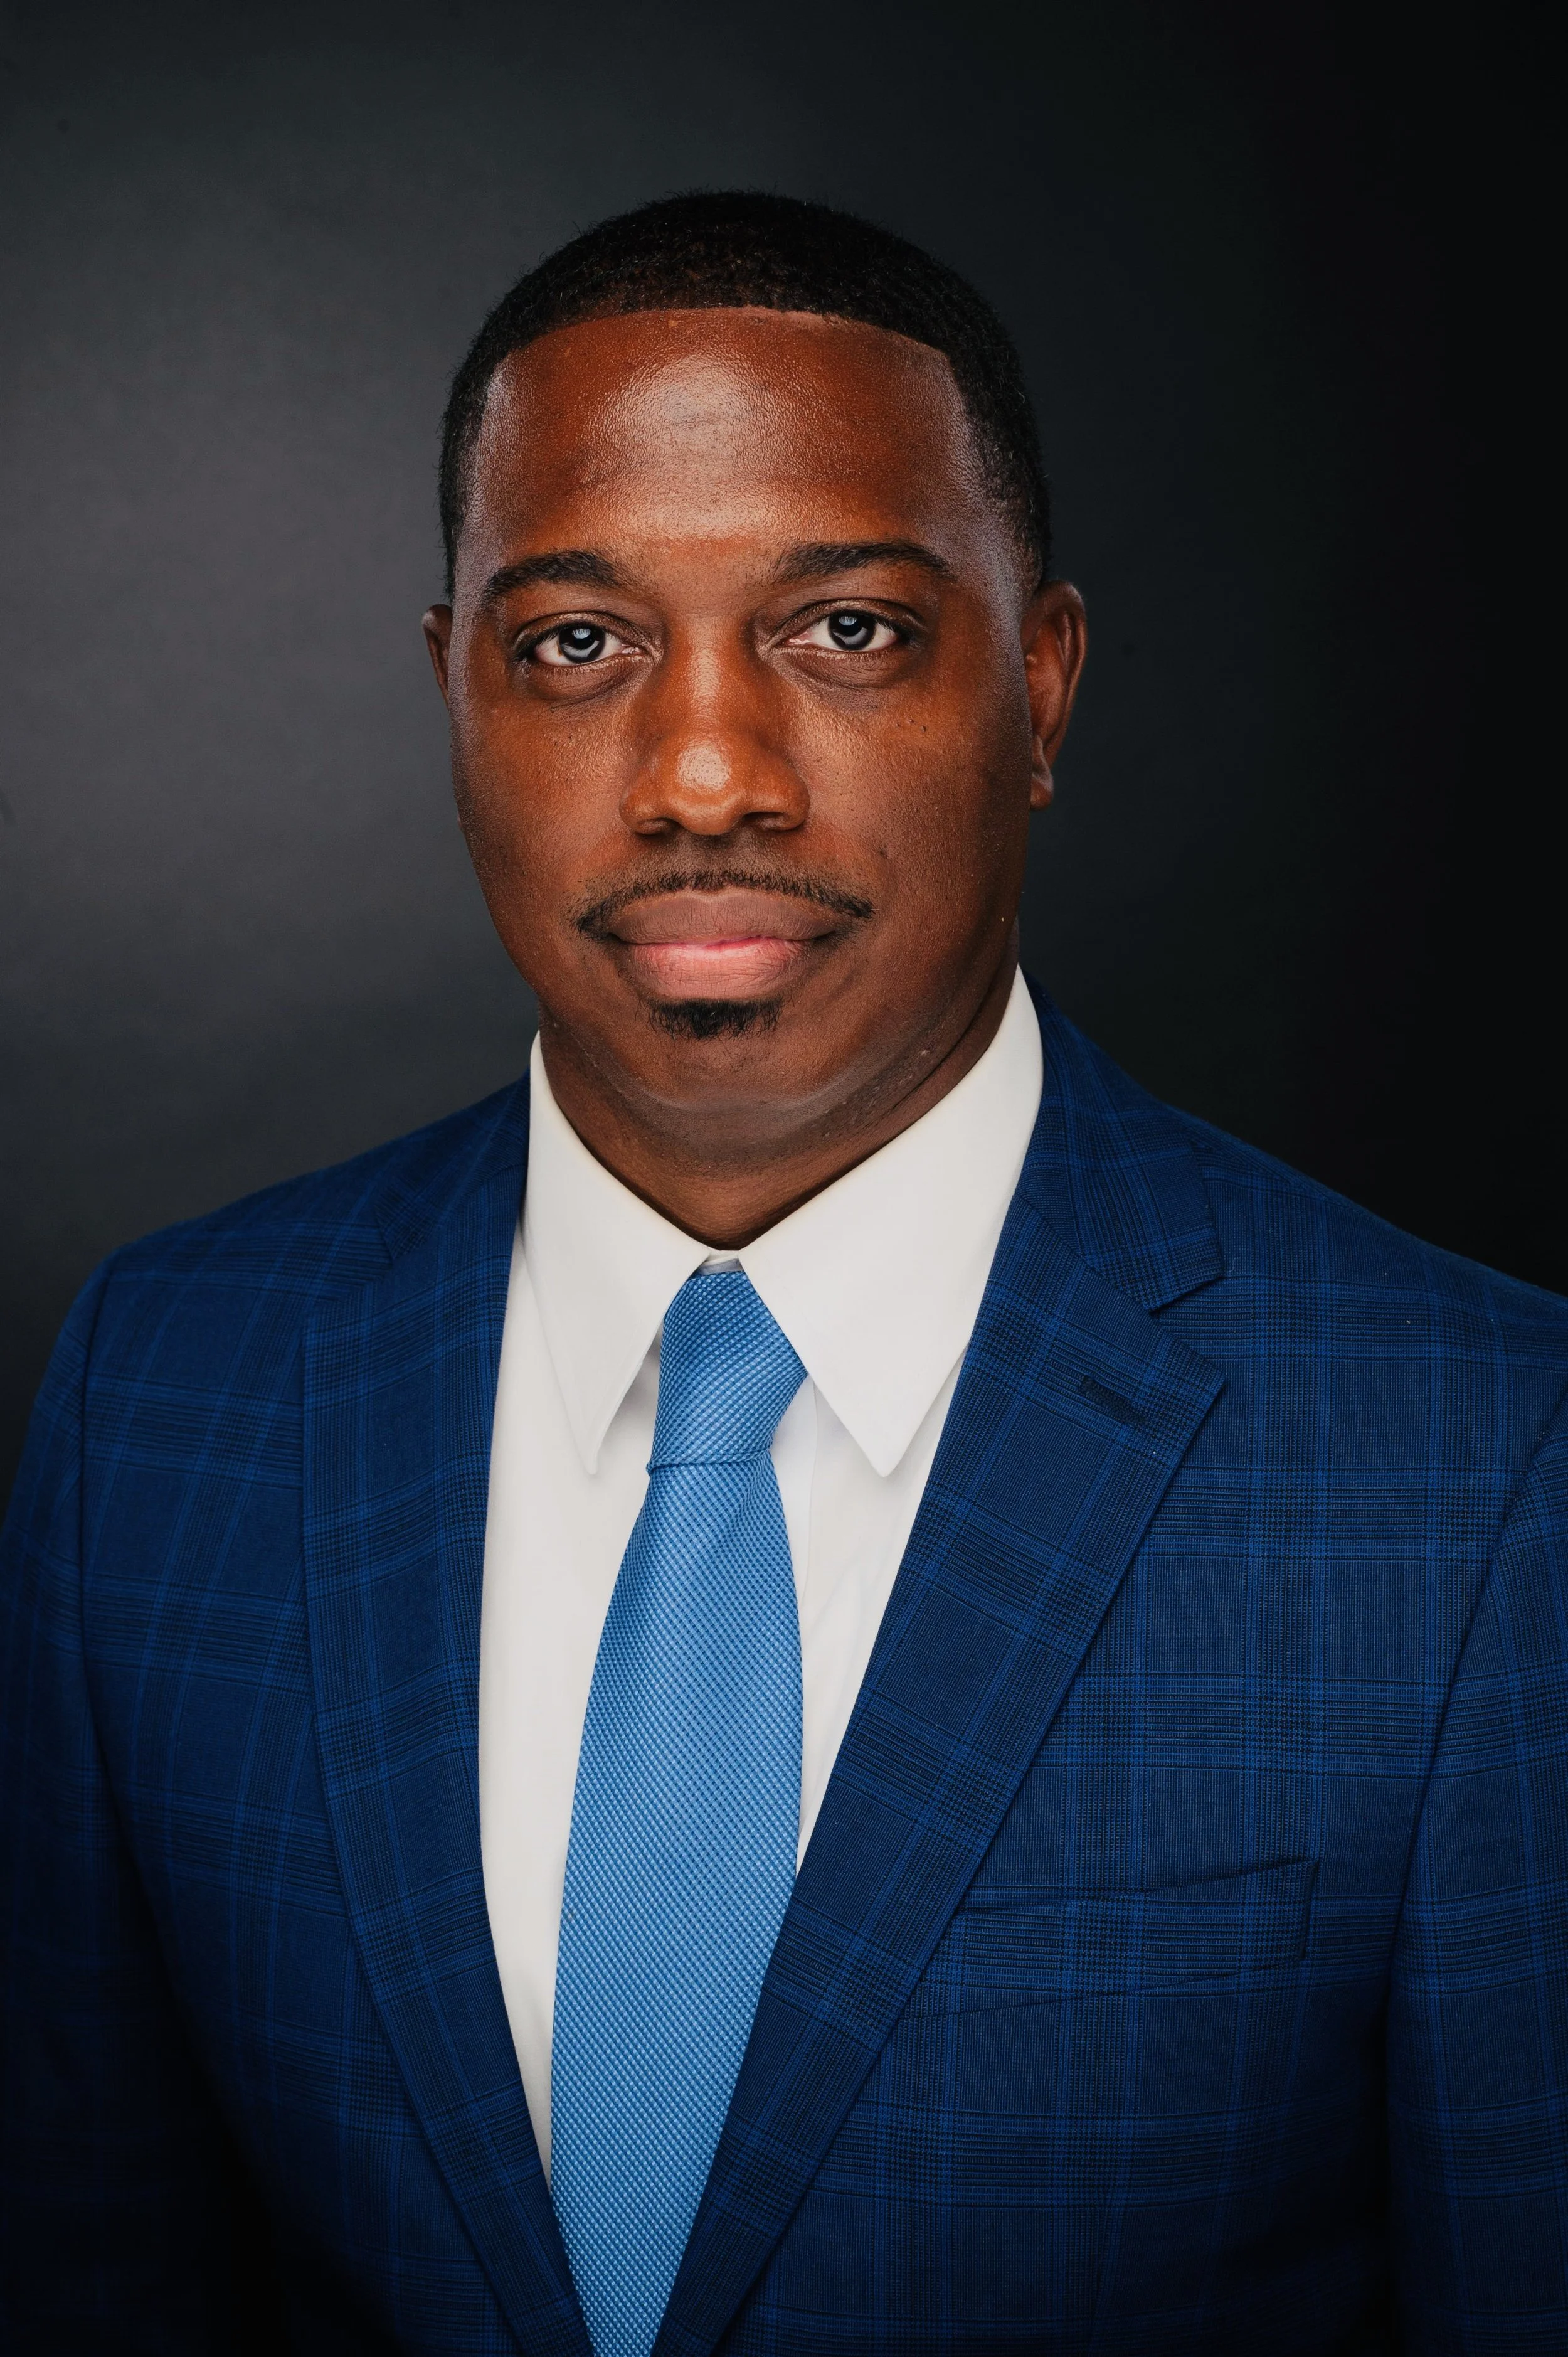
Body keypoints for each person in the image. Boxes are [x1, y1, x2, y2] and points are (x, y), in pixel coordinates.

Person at [2, 190, 1564, 2357]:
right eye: (576, 642)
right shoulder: (164, 1390)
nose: (706, 773)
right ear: (452, 691)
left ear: (1039, 684)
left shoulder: (1483, 1464)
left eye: (843, 630)